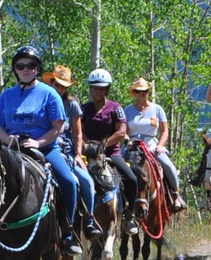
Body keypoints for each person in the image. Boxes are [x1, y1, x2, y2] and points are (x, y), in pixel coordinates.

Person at [0, 46, 81, 255]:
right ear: (15, 69)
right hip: (10, 149)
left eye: (31, 65)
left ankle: (67, 233)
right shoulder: (7, 95)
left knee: (69, 181)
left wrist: (38, 142)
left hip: (44, 148)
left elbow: (58, 126)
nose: (26, 69)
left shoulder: (49, 94)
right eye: (21, 66)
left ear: (37, 68)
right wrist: (7, 139)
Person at [43, 64, 102, 239]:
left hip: (65, 151)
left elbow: (78, 133)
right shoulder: (42, 101)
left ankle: (88, 221)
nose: (59, 89)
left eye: (63, 86)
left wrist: (77, 154)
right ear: (51, 83)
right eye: (57, 84)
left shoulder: (72, 105)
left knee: (86, 181)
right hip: (43, 148)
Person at [81, 68, 139, 235]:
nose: (97, 91)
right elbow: (81, 130)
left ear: (107, 89)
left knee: (132, 178)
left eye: (101, 88)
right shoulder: (84, 109)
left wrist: (102, 145)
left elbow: (121, 132)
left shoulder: (115, 108)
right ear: (90, 89)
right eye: (94, 88)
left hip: (111, 153)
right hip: (88, 154)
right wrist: (89, 145)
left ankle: (129, 215)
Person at [122, 77, 186, 211]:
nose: (142, 93)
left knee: (169, 166)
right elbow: (124, 132)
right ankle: (116, 197)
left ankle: (175, 195)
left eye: (145, 90)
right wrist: (127, 141)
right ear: (134, 93)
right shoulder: (127, 110)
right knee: (117, 165)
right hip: (133, 145)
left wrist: (160, 145)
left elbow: (164, 131)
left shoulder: (157, 109)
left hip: (151, 143)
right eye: (139, 91)